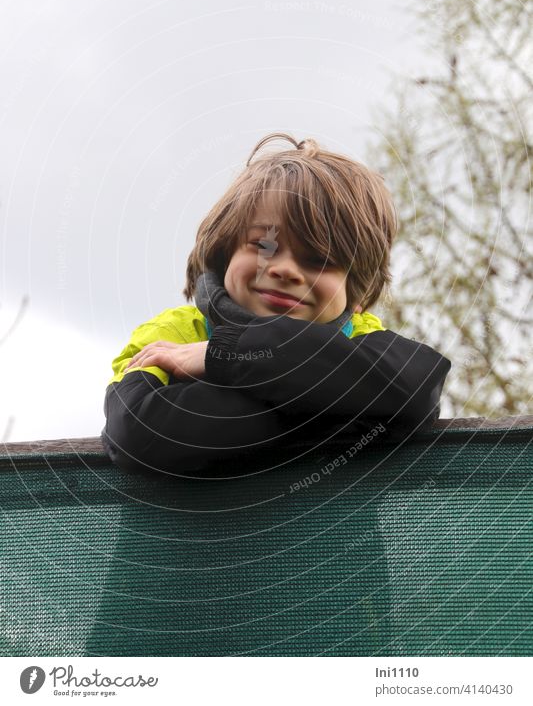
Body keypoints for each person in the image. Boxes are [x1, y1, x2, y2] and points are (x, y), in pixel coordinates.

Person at [102, 133, 451, 475]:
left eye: (320, 260)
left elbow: (416, 391)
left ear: (356, 292)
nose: (285, 269)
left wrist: (223, 353)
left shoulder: (362, 337)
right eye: (264, 246)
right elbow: (140, 433)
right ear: (225, 254)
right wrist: (335, 404)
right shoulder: (170, 335)